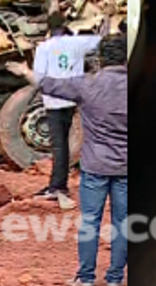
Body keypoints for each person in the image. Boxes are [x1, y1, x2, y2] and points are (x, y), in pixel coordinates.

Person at [6, 35, 127, 286]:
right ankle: (116, 278)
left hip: (95, 167)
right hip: (126, 168)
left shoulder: (87, 85)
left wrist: (25, 71)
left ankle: (86, 278)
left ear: (102, 59)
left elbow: (50, 85)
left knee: (90, 221)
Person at [31, 18, 103, 203]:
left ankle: (57, 186)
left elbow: (38, 76)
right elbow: (101, 38)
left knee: (59, 145)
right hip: (72, 100)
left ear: (49, 31)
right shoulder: (77, 43)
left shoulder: (44, 47)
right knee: (70, 142)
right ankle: (64, 183)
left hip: (54, 102)